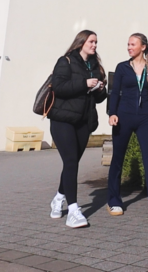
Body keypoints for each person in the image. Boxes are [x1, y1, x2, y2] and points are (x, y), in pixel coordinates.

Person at [48, 30, 107, 228]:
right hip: (62, 120)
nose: (94, 45)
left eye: (96, 42)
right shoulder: (66, 61)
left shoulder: (96, 67)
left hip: (84, 122)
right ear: (81, 42)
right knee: (71, 161)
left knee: (71, 164)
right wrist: (84, 83)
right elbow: (59, 87)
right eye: (91, 41)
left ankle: (58, 198)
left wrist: (100, 89)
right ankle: (73, 210)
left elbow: (99, 98)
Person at [107, 33, 148, 221]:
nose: (129, 47)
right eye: (128, 44)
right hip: (123, 117)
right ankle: (114, 200)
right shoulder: (122, 67)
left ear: (143, 47)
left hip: (144, 118)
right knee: (118, 158)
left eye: (133, 44)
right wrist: (112, 113)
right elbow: (115, 92)